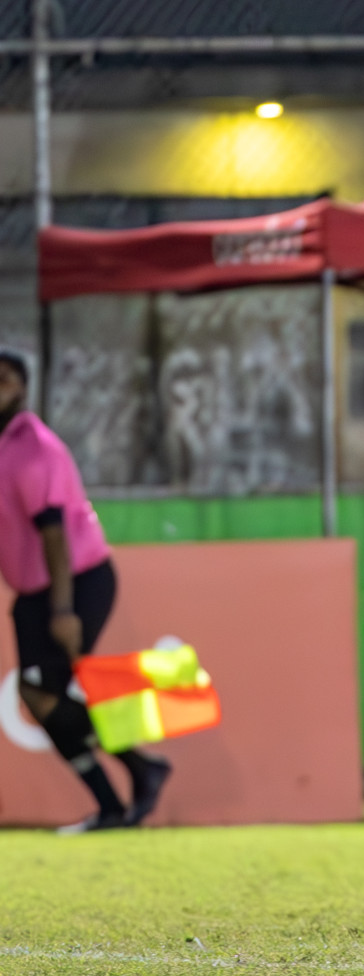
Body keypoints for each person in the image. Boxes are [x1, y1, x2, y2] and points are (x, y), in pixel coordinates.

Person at [0, 349, 172, 833]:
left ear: (22, 389)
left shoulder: (31, 445)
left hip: (75, 582)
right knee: (37, 696)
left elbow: (52, 532)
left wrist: (63, 609)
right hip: (33, 591)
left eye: (6, 380)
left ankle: (131, 781)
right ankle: (129, 785)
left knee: (41, 690)